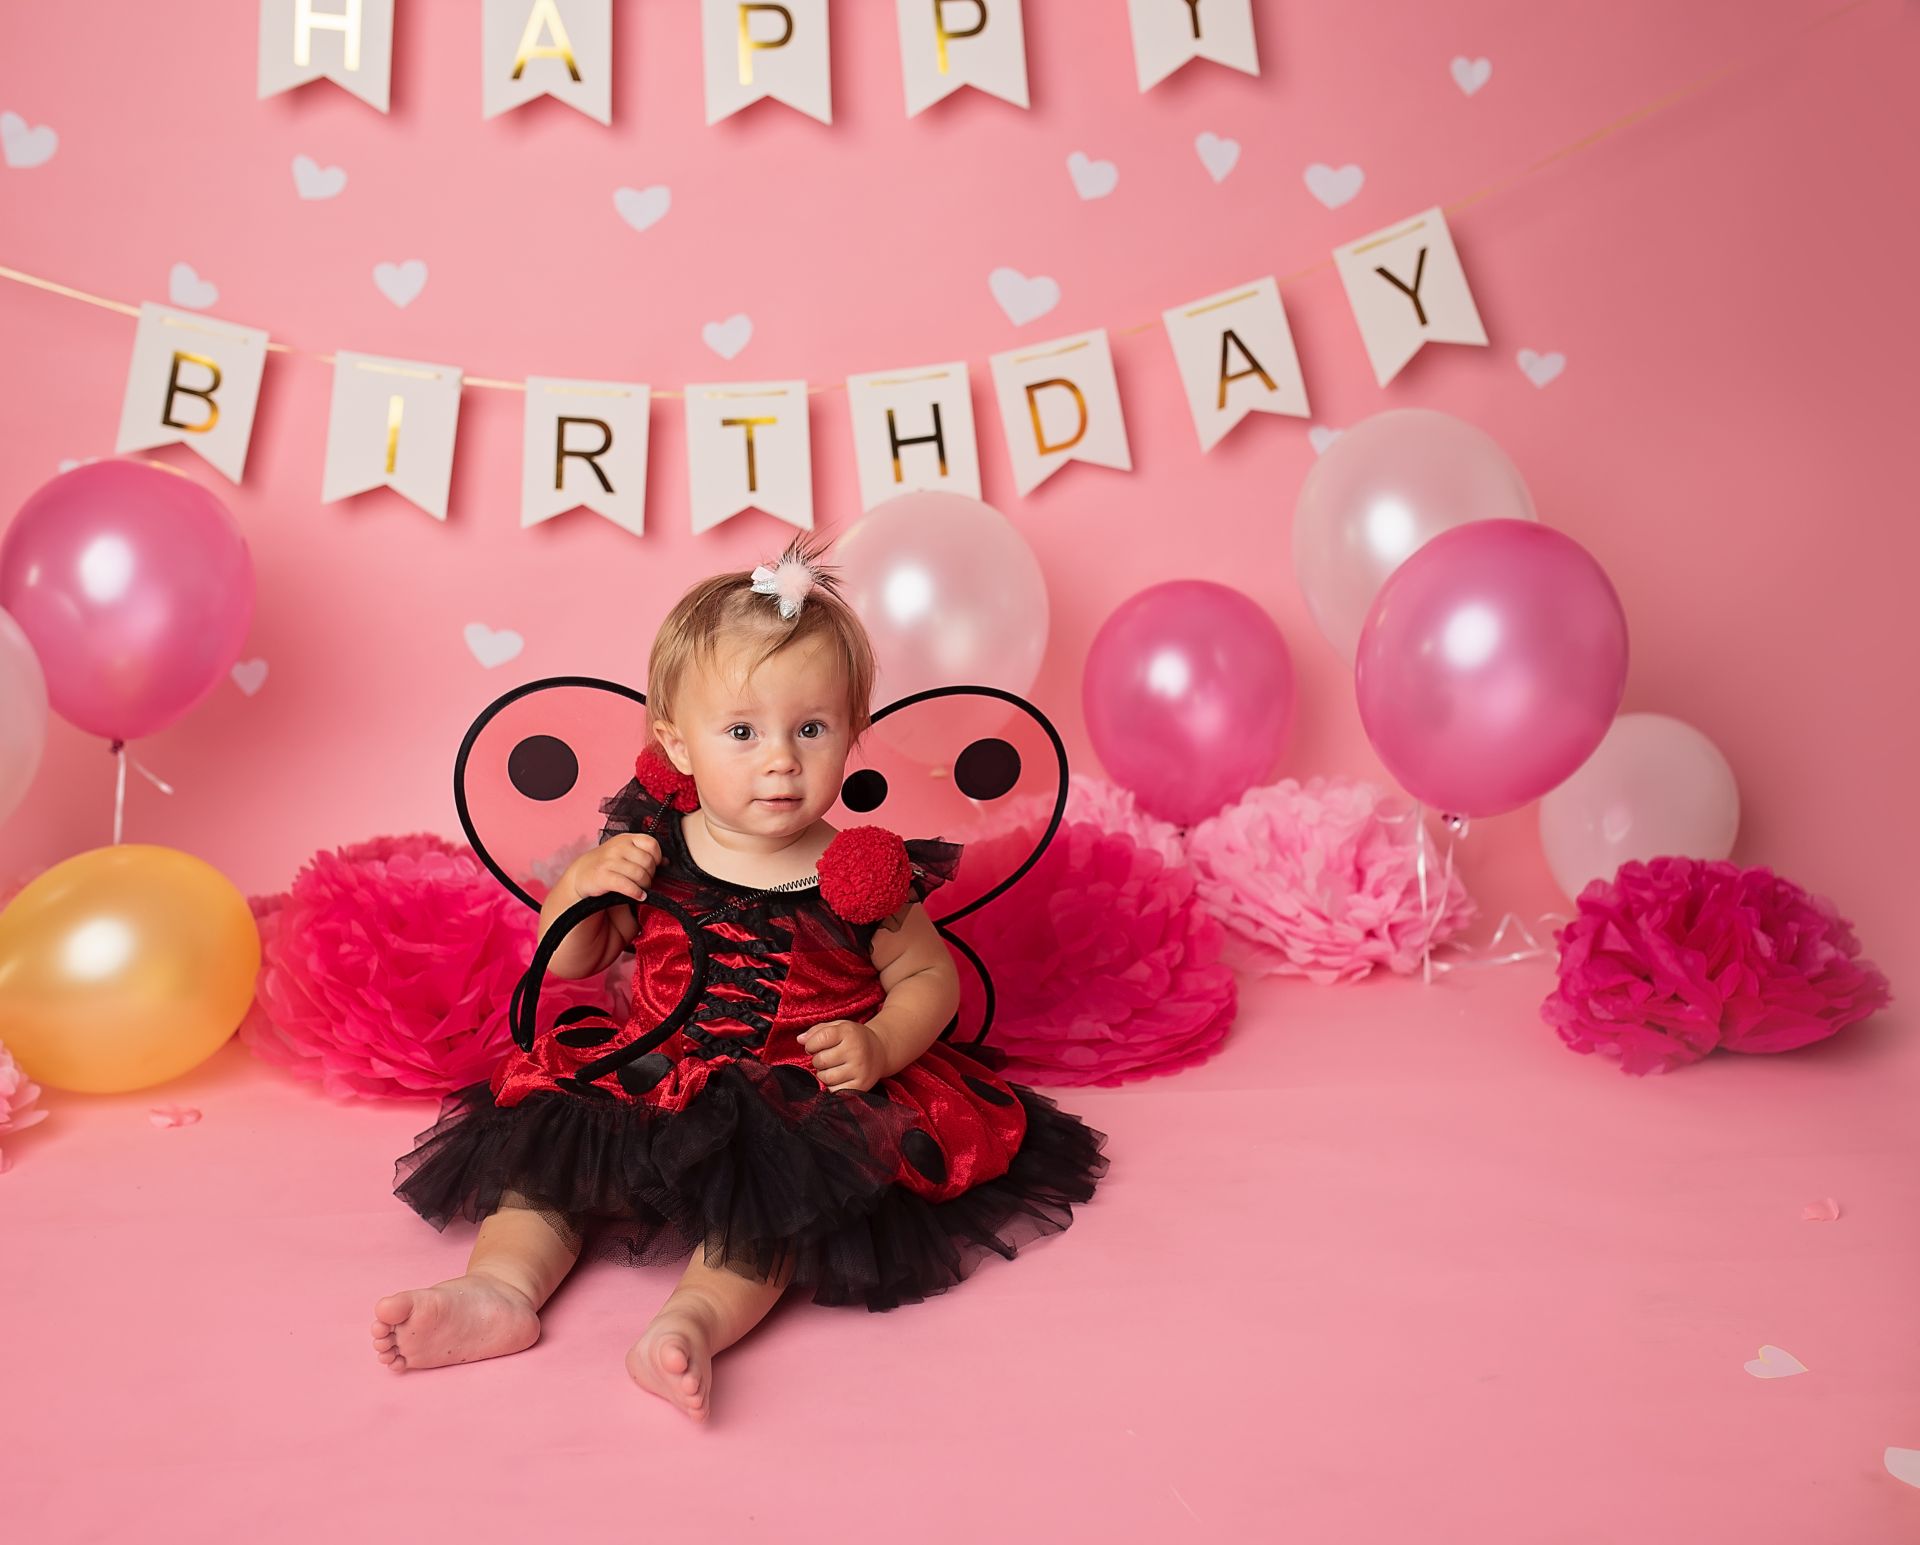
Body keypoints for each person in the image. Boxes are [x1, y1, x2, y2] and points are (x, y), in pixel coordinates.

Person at [374, 534, 1110, 1421]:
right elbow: (574, 959)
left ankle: (691, 1322)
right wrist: (580, 888)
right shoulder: (652, 848)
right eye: (742, 732)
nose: (781, 759)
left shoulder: (858, 873)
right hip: (654, 1072)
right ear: (677, 744)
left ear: (853, 734)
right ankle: (499, 1289)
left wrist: (881, 1042)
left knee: (768, 1209)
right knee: (547, 1163)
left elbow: (929, 977)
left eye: (811, 729)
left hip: (793, 1095)